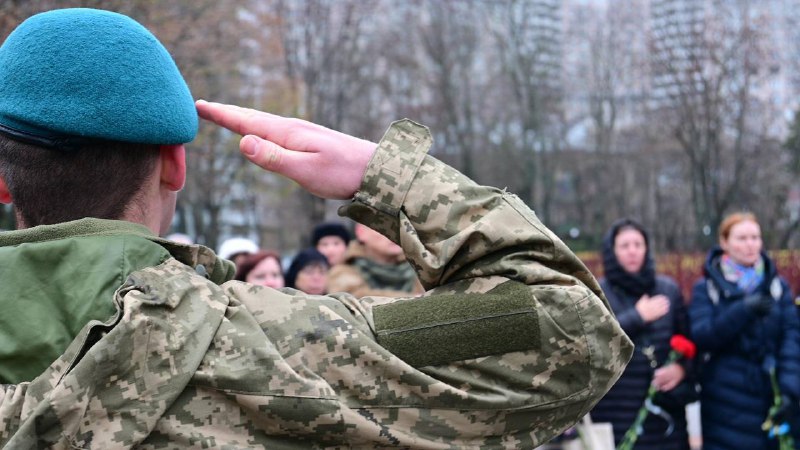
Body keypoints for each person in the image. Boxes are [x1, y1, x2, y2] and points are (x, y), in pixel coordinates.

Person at [0, 9, 632, 448]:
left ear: (4, 183)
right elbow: (570, 327)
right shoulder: (286, 343)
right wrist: (387, 176)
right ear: (175, 165)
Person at [689, 212, 800, 450]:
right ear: (725, 243)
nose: (750, 244)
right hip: (724, 401)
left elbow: (791, 338)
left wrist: (789, 390)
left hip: (769, 393)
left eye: (755, 237)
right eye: (742, 238)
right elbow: (703, 335)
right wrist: (742, 310)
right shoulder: (707, 288)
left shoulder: (777, 286)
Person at [591, 219, 692, 450]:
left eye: (638, 244)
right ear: (612, 251)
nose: (632, 251)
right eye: (624, 245)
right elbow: (591, 342)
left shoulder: (668, 290)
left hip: (665, 418)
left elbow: (690, 344)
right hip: (616, 414)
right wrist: (637, 317)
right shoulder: (597, 292)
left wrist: (682, 370)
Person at [327, 222, 424, 297]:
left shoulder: (420, 268)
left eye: (398, 227)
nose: (394, 233)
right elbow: (354, 301)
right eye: (384, 227)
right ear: (361, 232)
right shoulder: (343, 271)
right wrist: (415, 300)